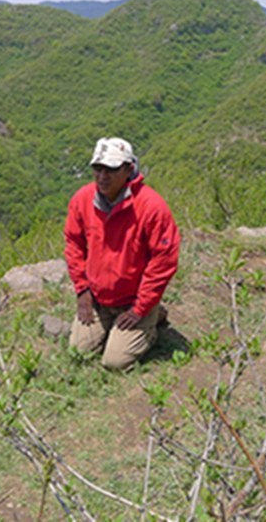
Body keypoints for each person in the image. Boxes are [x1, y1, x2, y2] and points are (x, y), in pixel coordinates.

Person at [64, 137, 180, 370]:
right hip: (99, 298)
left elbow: (164, 260)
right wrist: (82, 289)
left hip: (133, 300)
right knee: (78, 351)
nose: (102, 176)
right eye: (98, 169)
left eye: (111, 170)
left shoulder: (150, 207)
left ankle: (153, 318)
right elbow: (73, 244)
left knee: (114, 362)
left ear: (128, 169)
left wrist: (140, 308)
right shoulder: (83, 200)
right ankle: (114, 325)